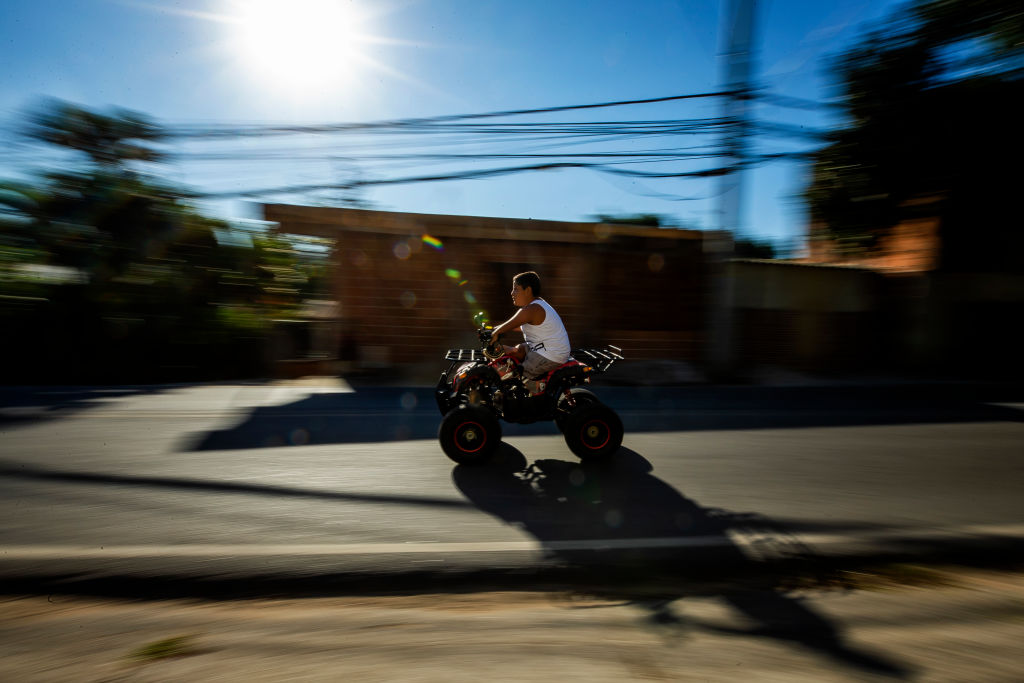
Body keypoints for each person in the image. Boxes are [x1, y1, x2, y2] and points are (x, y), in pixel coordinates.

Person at [488, 271, 571, 383]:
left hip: (551, 354)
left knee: (518, 375)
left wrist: (495, 332)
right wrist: (494, 330)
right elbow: (514, 326)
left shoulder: (532, 309)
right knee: (517, 350)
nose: (512, 293)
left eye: (516, 289)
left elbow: (511, 324)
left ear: (527, 290)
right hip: (542, 348)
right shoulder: (535, 306)